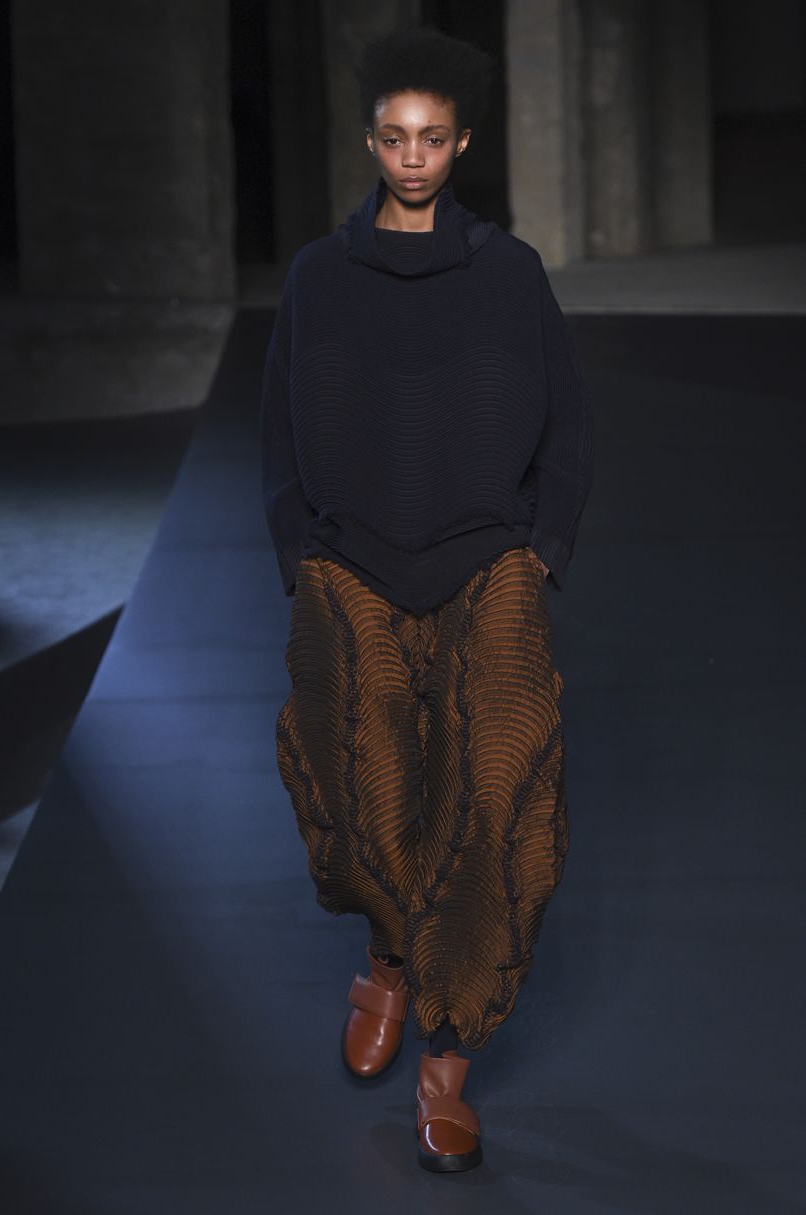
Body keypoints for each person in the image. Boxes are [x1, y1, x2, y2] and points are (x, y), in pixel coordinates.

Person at [260, 26, 594, 1173]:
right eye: (395, 137)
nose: (413, 156)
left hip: (488, 562)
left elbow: (567, 420)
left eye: (434, 138)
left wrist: (542, 548)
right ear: (370, 142)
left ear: (462, 144)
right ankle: (391, 958)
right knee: (363, 790)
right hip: (351, 563)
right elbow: (276, 427)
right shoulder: (318, 276)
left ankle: (446, 1058)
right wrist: (300, 554)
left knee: (498, 793)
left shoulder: (509, 273)